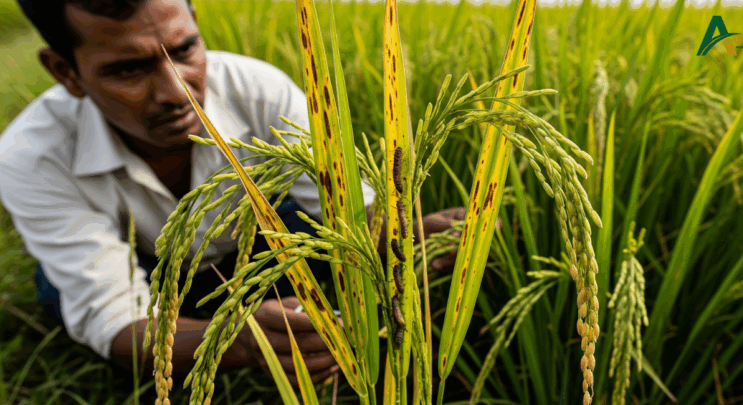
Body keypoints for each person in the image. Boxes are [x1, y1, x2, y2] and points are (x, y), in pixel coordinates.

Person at [0, 0, 467, 387]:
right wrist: (238, 340)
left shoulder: (258, 90)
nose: (176, 91)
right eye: (130, 70)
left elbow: (345, 212)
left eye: (184, 49)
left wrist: (413, 234)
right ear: (66, 72)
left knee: (307, 226)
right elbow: (115, 316)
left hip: (251, 244)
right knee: (63, 296)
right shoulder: (31, 157)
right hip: (143, 264)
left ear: (196, 23)